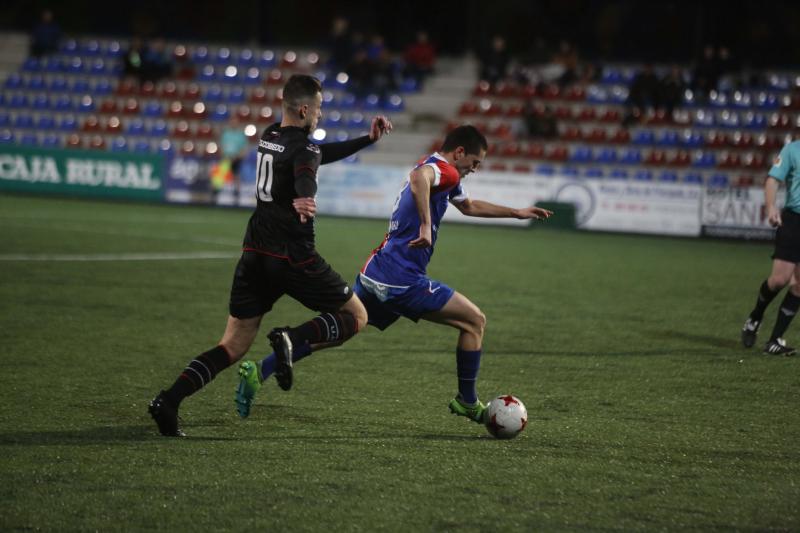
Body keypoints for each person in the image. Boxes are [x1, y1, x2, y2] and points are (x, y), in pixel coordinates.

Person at [235, 125, 552, 426]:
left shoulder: (444, 172)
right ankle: (467, 401)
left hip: (377, 269)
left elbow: (468, 206)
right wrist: (426, 224)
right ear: (459, 152)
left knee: (344, 328)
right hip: (401, 279)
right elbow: (418, 179)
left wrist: (516, 212)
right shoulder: (444, 169)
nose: (475, 168)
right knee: (474, 321)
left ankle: (260, 370)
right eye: (475, 162)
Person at [148, 74, 393, 436]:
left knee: (231, 346)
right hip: (292, 257)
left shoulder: (269, 137)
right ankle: (292, 340)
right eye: (320, 109)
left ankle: (168, 401)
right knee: (356, 316)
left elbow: (314, 156)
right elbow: (307, 170)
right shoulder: (304, 150)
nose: (321, 116)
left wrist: (366, 141)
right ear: (306, 109)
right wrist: (305, 196)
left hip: (254, 255)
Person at [741, 140, 800, 356]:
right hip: (794, 220)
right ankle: (755, 317)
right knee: (779, 280)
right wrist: (771, 206)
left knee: (799, 285)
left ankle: (774, 340)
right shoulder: (793, 149)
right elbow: (773, 180)